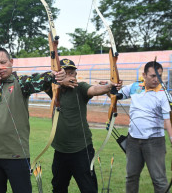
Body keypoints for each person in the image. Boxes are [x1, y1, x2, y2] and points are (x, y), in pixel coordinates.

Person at [0, 47, 66, 193]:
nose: (0, 67)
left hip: (16, 155)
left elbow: (40, 79)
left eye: (3, 62)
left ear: (11, 62)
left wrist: (55, 75)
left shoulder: (21, 83)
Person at [50, 59, 123, 193]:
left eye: (72, 73)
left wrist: (109, 87)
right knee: (58, 188)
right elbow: (40, 80)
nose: (70, 77)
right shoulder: (54, 89)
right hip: (60, 150)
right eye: (66, 73)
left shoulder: (80, 88)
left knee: (88, 188)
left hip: (81, 150)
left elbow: (93, 89)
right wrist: (56, 80)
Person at [118, 61, 172, 193]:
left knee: (159, 180)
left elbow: (168, 120)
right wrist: (111, 87)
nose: (156, 79)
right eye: (153, 76)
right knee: (131, 177)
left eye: (159, 76)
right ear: (144, 75)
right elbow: (116, 95)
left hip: (154, 142)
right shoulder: (135, 87)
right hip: (133, 141)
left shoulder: (163, 94)